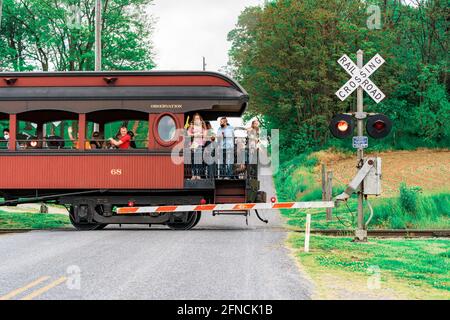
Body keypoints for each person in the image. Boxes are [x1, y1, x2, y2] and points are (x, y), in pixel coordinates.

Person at [187, 113, 206, 179]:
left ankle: (198, 175)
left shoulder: (202, 127)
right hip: (194, 144)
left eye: (198, 118)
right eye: (195, 118)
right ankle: (193, 175)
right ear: (194, 119)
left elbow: (205, 135)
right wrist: (194, 135)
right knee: (193, 160)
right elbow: (188, 133)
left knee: (199, 160)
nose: (197, 120)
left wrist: (203, 143)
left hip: (200, 144)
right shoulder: (192, 126)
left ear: (200, 119)